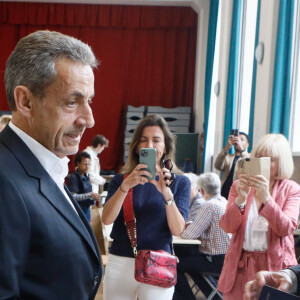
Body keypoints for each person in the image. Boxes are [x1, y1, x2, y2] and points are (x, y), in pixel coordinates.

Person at [0, 30, 102, 299]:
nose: (89, 119)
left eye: (88, 101)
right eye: (72, 102)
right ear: (25, 101)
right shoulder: (3, 180)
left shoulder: (41, 165)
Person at [102, 113, 190, 300]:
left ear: (165, 145)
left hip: (159, 263)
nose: (150, 145)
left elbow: (177, 229)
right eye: (144, 140)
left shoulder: (179, 182)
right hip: (121, 261)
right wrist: (125, 187)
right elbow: (106, 218)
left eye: (156, 140)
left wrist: (166, 194)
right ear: (136, 147)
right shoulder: (120, 180)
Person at [218, 133, 300, 300]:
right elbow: (227, 226)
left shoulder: (291, 188)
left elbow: (286, 228)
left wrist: (266, 199)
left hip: (274, 266)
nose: (264, 163)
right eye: (260, 157)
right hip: (239, 265)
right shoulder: (238, 185)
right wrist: (241, 198)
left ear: (281, 162)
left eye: (271, 159)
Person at [173, 173, 230, 300]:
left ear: (201, 190)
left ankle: (187, 298)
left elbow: (189, 235)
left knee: (174, 264)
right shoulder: (223, 202)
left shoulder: (209, 205)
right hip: (227, 260)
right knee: (190, 264)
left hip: (215, 260)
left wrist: (177, 227)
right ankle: (215, 297)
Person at [214, 131, 249, 199]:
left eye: (242, 140)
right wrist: (226, 148)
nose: (238, 141)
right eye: (236, 139)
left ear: (247, 144)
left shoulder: (249, 157)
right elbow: (217, 166)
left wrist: (242, 149)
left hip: (239, 194)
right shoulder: (227, 157)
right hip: (224, 193)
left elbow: (249, 165)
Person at [67, 151, 101, 222]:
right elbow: (73, 197)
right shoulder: (74, 177)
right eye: (85, 164)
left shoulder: (86, 176)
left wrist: (93, 196)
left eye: (89, 164)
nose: (87, 167)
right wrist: (89, 195)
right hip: (78, 209)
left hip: (86, 208)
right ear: (78, 163)